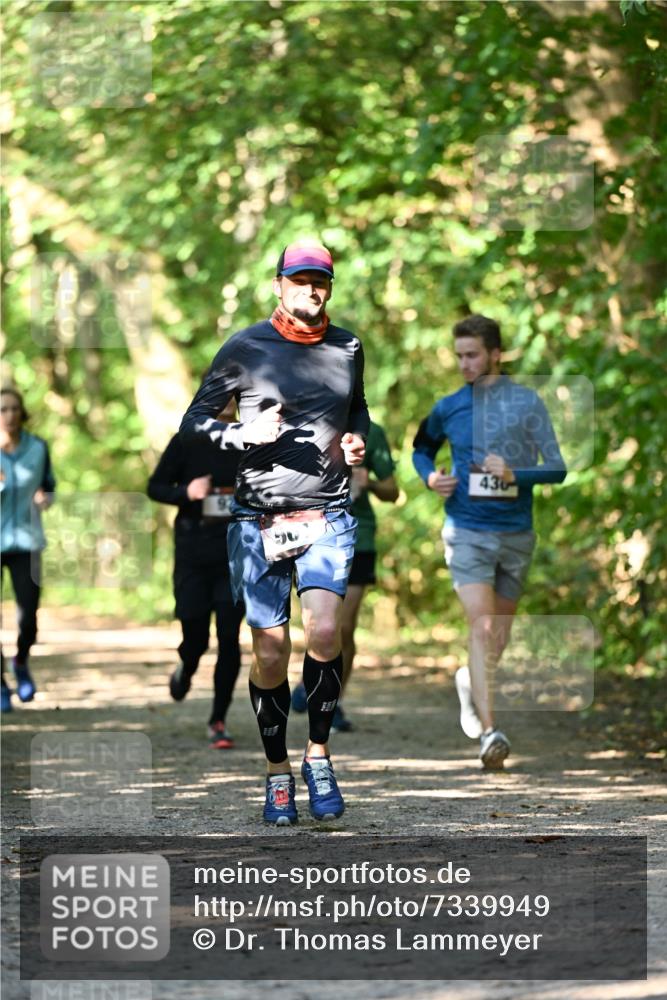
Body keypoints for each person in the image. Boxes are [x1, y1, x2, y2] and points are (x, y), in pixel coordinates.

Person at [179, 239, 369, 824]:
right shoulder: (245, 347)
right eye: (300, 279)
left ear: (329, 287)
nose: (312, 290)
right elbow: (194, 424)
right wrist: (245, 435)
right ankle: (275, 772)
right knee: (268, 652)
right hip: (257, 519)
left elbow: (355, 408)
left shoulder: (349, 346)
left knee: (327, 630)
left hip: (328, 513)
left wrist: (357, 442)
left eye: (321, 281)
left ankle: (318, 756)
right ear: (279, 285)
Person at [412, 315, 566, 769]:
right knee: (482, 627)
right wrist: (430, 477)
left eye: (473, 355)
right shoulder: (449, 407)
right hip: (467, 530)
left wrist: (518, 475)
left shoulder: (526, 403)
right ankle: (491, 732)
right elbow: (421, 449)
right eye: (459, 356)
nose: (465, 364)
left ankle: (469, 682)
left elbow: (557, 467)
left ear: (496, 354)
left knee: (498, 636)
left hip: (516, 534)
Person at [147, 399, 245, 749]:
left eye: (238, 392)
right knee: (196, 637)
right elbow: (155, 486)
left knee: (229, 638)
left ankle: (218, 719)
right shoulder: (187, 440)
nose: (231, 400)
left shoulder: (251, 439)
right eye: (225, 392)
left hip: (235, 553)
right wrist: (186, 492)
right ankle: (185, 667)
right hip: (193, 552)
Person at [291, 419, 398, 731]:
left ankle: (331, 700)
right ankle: (310, 683)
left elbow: (393, 490)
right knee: (318, 625)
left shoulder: (372, 432)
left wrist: (370, 484)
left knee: (344, 626)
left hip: (359, 535)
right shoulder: (304, 422)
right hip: (311, 533)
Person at [1, 387, 56, 713]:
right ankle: (0, 686)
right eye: (2, 409)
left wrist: (45, 499)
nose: (8, 415)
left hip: (28, 542)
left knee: (28, 619)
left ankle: (20, 661)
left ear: (22, 413)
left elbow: (48, 485)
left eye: (13, 409)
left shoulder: (38, 447)